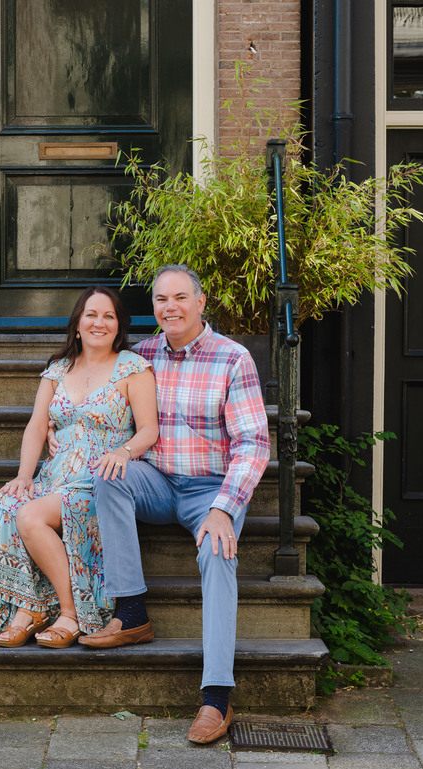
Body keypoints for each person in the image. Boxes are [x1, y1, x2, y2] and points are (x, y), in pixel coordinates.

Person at [80, 264, 269, 744]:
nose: (171, 308)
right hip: (159, 482)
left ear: (200, 303)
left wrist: (224, 507)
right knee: (107, 475)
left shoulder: (233, 358)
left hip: (211, 490)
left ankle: (216, 696)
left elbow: (252, 443)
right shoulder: (140, 356)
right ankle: (133, 610)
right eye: (162, 300)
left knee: (218, 553)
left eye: (180, 298)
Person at [0, 286, 158, 649]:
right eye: (91, 314)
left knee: (29, 517)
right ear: (77, 324)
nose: (99, 322)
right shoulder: (57, 370)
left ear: (119, 327)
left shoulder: (133, 368)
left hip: (97, 479)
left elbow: (149, 429)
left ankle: (70, 613)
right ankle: (29, 610)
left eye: (109, 316)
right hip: (54, 474)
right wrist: (25, 476)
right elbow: (35, 425)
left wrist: (123, 452)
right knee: (5, 506)